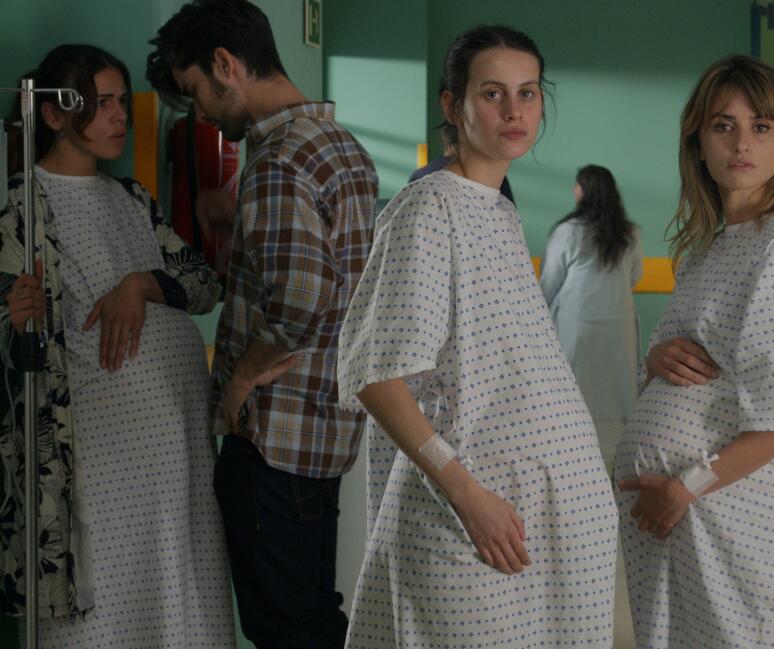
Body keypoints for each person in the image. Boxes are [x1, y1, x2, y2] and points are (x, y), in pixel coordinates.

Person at [337, 25, 617, 647]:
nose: (514, 111)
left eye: (528, 93)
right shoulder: (428, 210)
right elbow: (376, 377)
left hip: (534, 526)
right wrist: (467, 495)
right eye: (493, 93)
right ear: (451, 105)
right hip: (471, 524)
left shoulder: (496, 209)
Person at [615, 54, 774, 648]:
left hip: (755, 534)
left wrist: (685, 486)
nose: (741, 143)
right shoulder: (712, 251)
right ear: (697, 142)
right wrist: (656, 362)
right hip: (706, 531)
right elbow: (693, 363)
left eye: (761, 126)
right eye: (723, 125)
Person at [146, 1, 379, 646]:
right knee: (308, 613)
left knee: (285, 626)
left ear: (226, 65)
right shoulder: (339, 145)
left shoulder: (276, 160)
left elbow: (304, 299)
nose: (201, 113)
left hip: (273, 433)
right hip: (321, 427)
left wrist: (241, 380)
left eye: (196, 92)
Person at [0, 44, 235, 646]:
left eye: (122, 103)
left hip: (174, 449)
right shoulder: (20, 206)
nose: (119, 117)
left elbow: (205, 284)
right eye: (101, 104)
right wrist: (14, 319)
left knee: (178, 600)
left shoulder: (132, 198)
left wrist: (145, 283)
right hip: (97, 454)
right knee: (106, 609)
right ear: (52, 114)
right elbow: (16, 337)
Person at [539, 164, 642, 467]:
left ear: (583, 190)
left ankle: (574, 458)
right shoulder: (630, 232)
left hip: (574, 321)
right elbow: (635, 277)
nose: (574, 190)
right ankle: (613, 460)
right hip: (619, 321)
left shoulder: (567, 231)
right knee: (618, 391)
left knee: (574, 389)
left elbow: (550, 281)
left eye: (576, 185)